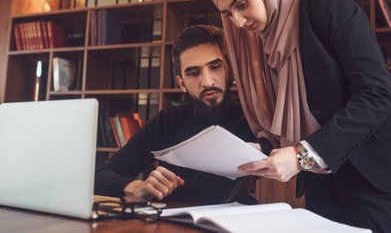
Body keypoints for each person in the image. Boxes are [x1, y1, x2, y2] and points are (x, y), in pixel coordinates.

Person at [209, 0, 391, 233]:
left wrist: (300, 156)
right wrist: (263, 150)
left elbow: (376, 93)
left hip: (378, 168)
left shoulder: (321, 2)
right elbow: (298, 118)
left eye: (241, 4)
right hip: (325, 176)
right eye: (228, 14)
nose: (239, 21)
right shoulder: (263, 44)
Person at [95, 24, 272, 204]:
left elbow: (281, 155)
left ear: (230, 71)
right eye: (194, 73)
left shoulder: (252, 120)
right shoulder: (167, 122)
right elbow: (100, 176)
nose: (207, 81)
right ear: (181, 83)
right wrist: (137, 187)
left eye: (215, 67)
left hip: (235, 218)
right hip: (170, 219)